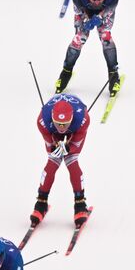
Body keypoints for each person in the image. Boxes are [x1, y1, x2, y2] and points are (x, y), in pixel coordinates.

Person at [31, 94, 93, 232]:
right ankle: (41, 201)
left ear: (71, 119)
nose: (61, 127)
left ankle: (80, 203)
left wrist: (69, 147)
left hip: (75, 131)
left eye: (65, 124)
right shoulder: (42, 120)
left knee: (72, 161)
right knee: (53, 162)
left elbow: (77, 142)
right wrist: (54, 147)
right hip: (50, 131)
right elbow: (49, 141)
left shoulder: (83, 119)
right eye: (58, 123)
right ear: (52, 118)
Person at [55, 0, 122, 97]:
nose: (96, 2)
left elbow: (108, 10)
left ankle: (114, 74)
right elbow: (79, 12)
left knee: (106, 37)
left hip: (105, 10)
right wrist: (86, 19)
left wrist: (100, 17)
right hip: (84, 9)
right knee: (79, 38)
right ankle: (66, 72)